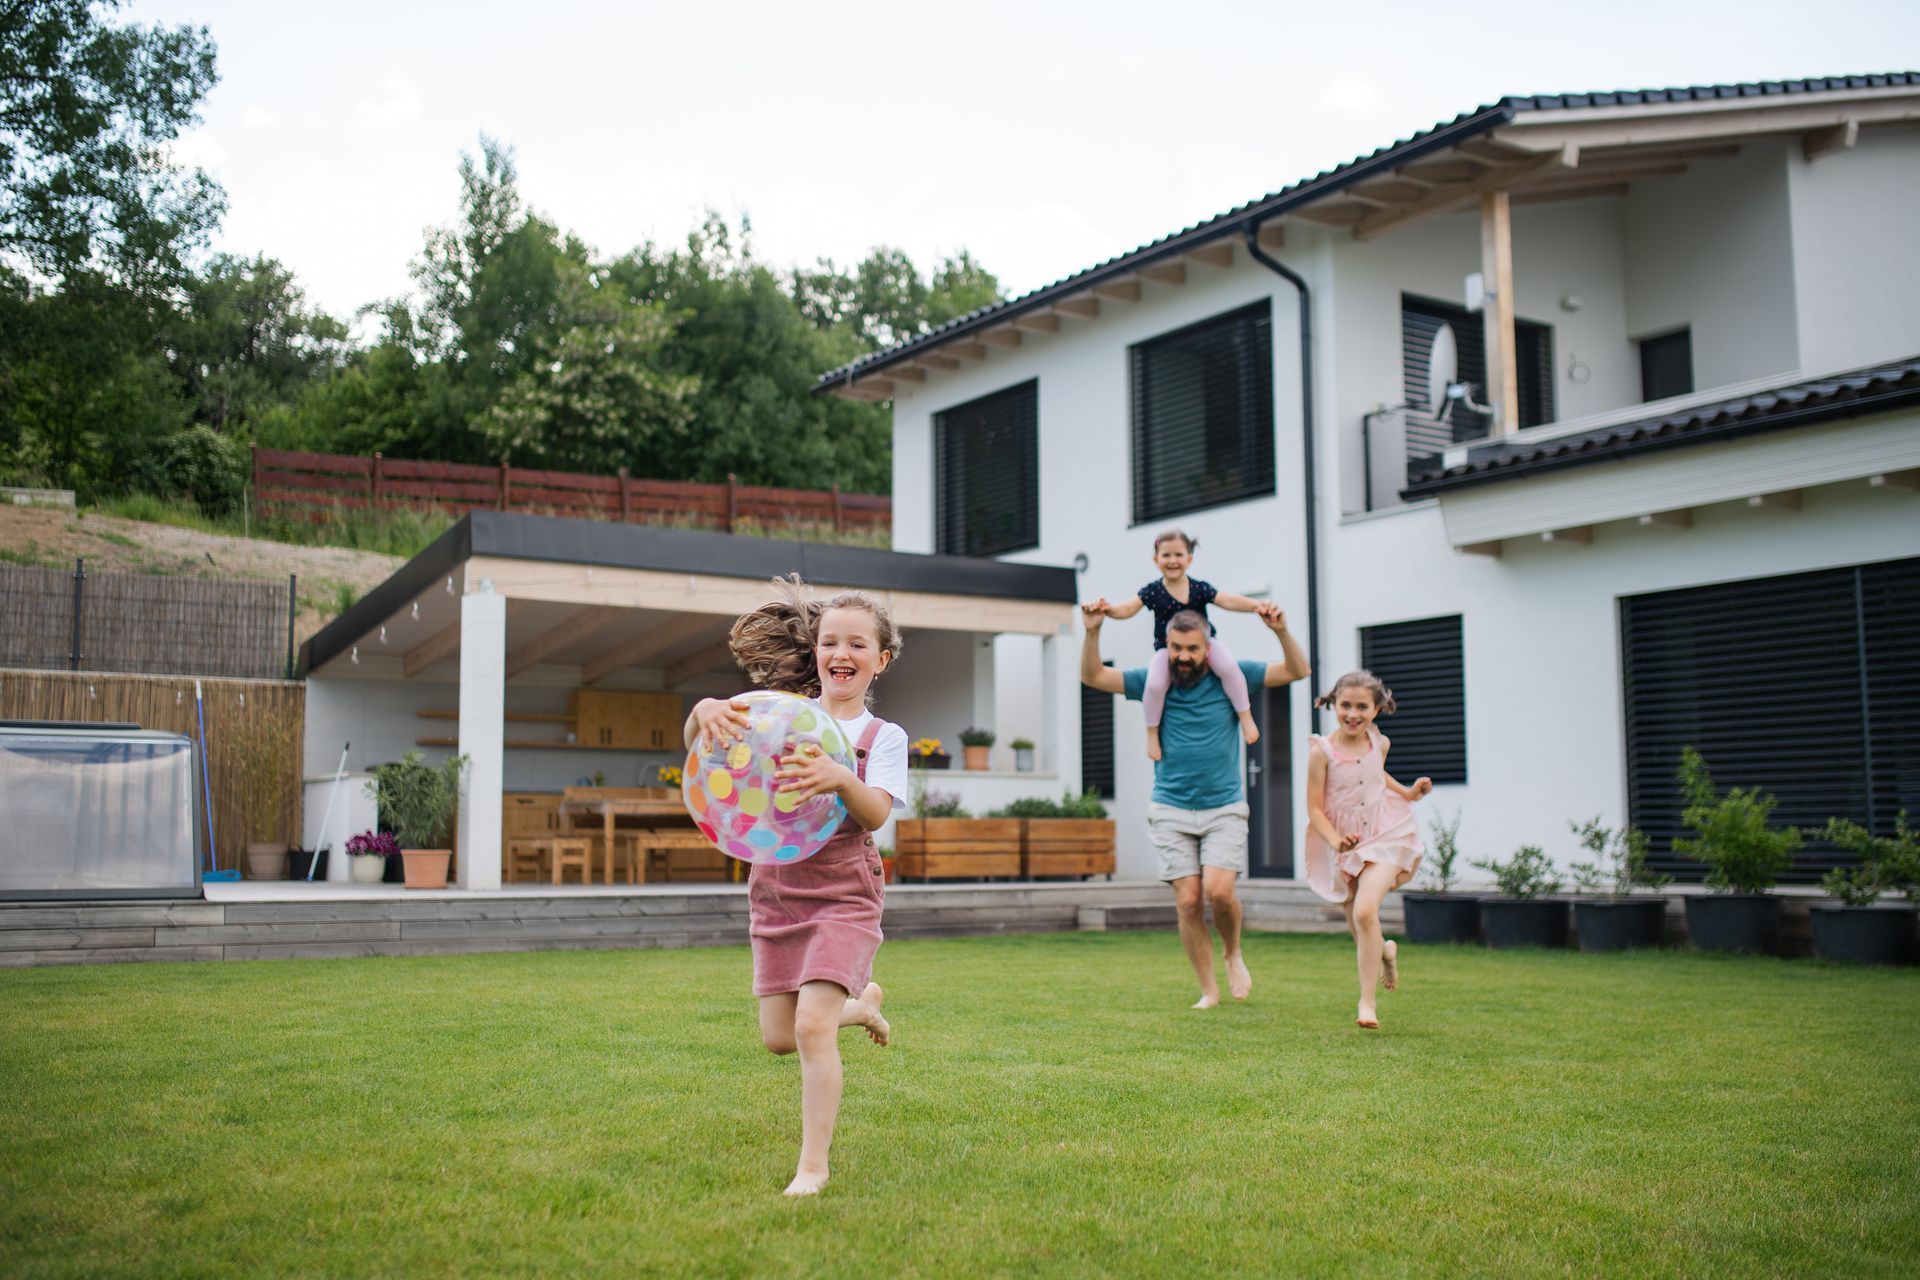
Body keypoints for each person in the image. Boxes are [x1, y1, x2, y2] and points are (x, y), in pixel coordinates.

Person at [685, 578, 909, 1196]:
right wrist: (701, 713)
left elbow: (875, 815)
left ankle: (813, 1166)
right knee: (780, 1038)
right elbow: (707, 748)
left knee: (811, 1028)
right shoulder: (780, 714)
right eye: (830, 641)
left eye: (857, 644)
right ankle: (859, 1007)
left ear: (879, 660)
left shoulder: (881, 738)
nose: (842, 653)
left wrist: (841, 777)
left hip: (843, 893)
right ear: (815, 652)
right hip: (778, 890)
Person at [1079, 597, 1310, 1008]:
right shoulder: (1155, 681)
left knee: (1219, 893)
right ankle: (1209, 989)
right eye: (1176, 648)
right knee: (1188, 900)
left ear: (1208, 647)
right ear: (1166, 645)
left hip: (1223, 805)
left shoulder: (1232, 676)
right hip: (1170, 806)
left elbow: (1297, 671)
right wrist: (1094, 630)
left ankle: (1232, 952)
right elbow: (1094, 676)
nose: (1183, 657)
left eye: (1192, 649)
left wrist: (1280, 631)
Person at [1304, 670, 1433, 1031]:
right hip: (1344, 841)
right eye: (1345, 705)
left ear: (1377, 709)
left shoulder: (1380, 742)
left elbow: (1378, 776)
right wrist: (1335, 842)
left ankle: (1367, 1003)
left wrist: (1407, 793)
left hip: (1386, 834)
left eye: (1362, 707)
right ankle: (1386, 952)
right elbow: (1314, 808)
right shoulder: (1322, 752)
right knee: (1360, 927)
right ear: (1334, 705)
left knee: (1364, 911)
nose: (1353, 714)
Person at [1095, 529, 1267, 762]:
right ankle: (1152, 732)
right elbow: (1127, 609)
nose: (1172, 561)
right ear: (1156, 560)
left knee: (1230, 668)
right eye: (1166, 556)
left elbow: (1227, 600)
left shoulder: (1198, 588)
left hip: (1205, 645)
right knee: (1155, 684)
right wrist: (1108, 610)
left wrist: (1257, 605)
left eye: (1178, 554)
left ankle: (1245, 716)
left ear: (1189, 559)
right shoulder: (1153, 591)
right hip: (1168, 650)